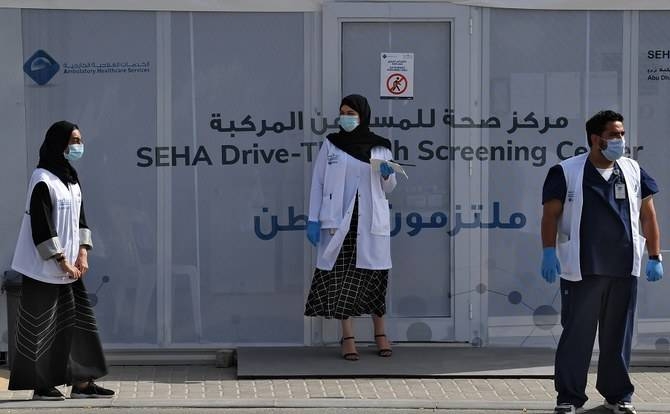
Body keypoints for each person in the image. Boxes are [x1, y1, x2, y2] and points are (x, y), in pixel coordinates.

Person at [540, 110, 663, 414]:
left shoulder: (632, 170)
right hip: (583, 269)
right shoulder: (566, 171)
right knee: (576, 337)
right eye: (614, 135)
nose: (620, 140)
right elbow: (550, 215)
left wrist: (655, 256)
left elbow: (648, 215)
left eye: (622, 134)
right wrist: (547, 251)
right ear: (595, 139)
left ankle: (618, 395)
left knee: (618, 336)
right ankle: (569, 398)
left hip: (623, 268)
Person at [9, 121, 115, 400]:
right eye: (73, 140)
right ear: (59, 143)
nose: (78, 146)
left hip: (69, 266)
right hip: (44, 268)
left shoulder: (71, 178)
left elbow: (81, 218)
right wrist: (60, 260)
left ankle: (82, 383)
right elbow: (41, 226)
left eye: (79, 140)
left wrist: (83, 253)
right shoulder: (42, 178)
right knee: (41, 327)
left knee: (79, 323)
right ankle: (41, 386)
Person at [304, 94, 397, 361]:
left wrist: (387, 175)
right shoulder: (331, 144)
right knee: (341, 277)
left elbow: (388, 188)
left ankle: (380, 334)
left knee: (375, 278)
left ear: (363, 115)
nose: (346, 117)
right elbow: (318, 183)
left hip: (369, 221)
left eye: (351, 113)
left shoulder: (381, 147)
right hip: (338, 220)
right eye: (343, 112)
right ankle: (348, 337)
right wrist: (313, 219)